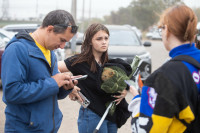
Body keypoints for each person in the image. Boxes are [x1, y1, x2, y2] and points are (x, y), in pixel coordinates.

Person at [1, 10, 80, 132]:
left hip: (47, 128)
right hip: (25, 129)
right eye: (62, 40)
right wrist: (53, 83)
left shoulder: (50, 52)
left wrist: (64, 87)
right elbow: (12, 93)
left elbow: (48, 92)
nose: (62, 46)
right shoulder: (17, 49)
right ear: (49, 29)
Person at [128, 4, 200, 133]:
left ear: (166, 30)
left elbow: (146, 130)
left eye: (160, 28)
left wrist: (137, 101)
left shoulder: (163, 77)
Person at [58, 23, 131, 133]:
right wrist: (68, 88)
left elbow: (127, 81)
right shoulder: (79, 61)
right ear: (90, 42)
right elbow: (53, 68)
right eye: (99, 39)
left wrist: (125, 90)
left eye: (106, 38)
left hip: (111, 115)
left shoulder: (110, 64)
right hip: (91, 115)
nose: (104, 42)